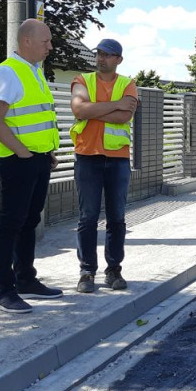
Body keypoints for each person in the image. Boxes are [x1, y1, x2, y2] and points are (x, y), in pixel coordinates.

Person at [0, 18, 64, 314]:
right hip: (19, 161)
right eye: (46, 41)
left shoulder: (34, 72)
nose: (50, 47)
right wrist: (23, 153)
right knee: (10, 224)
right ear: (27, 41)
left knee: (30, 221)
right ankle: (3, 291)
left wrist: (46, 153)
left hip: (38, 158)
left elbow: (37, 118)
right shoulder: (8, 72)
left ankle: (26, 280)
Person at [69, 38, 138, 293]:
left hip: (118, 159)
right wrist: (113, 105)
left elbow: (125, 115)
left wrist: (93, 109)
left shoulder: (127, 84)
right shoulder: (82, 80)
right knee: (87, 217)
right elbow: (79, 110)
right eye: (99, 54)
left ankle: (113, 270)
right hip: (87, 156)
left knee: (117, 218)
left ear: (119, 59)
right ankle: (86, 272)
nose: (101, 59)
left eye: (108, 55)